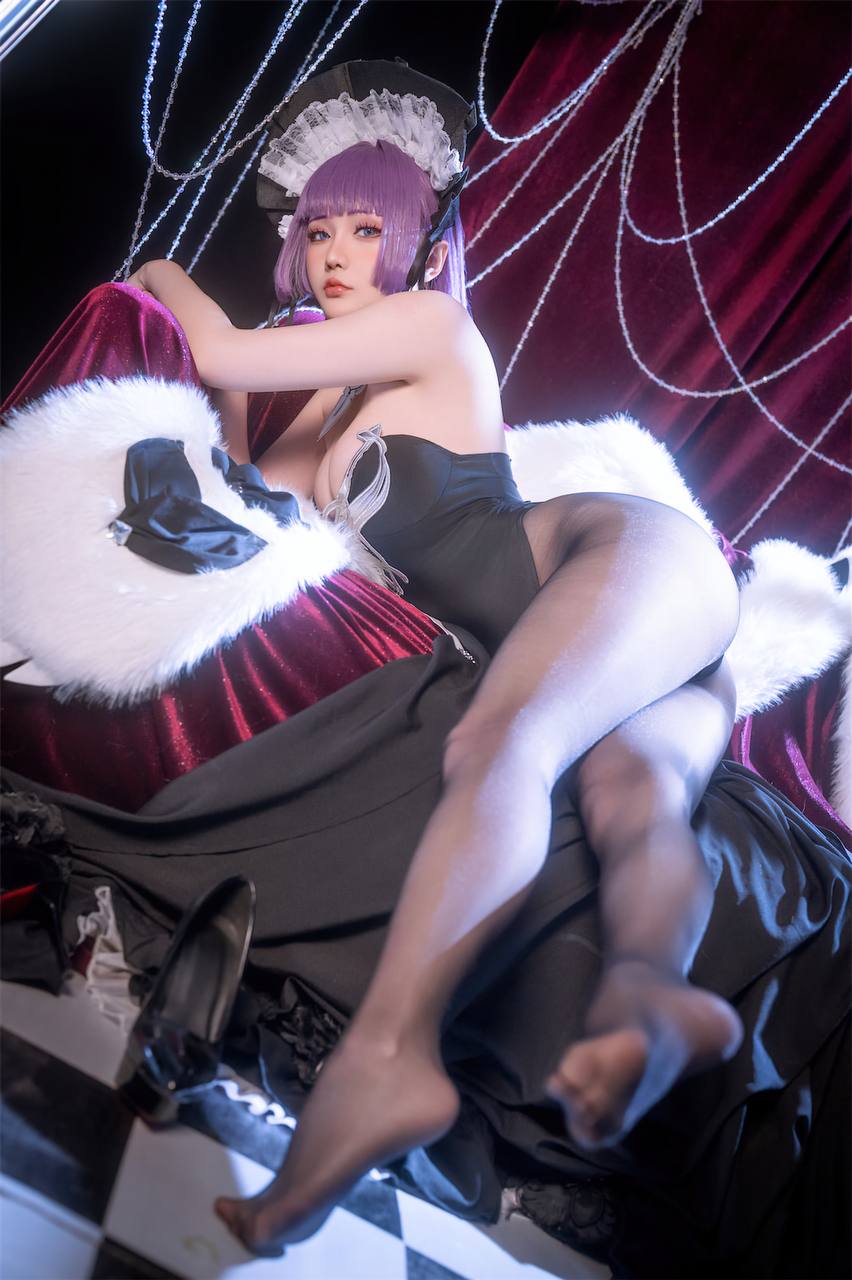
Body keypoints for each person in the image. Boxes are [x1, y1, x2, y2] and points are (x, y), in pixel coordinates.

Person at [124, 61, 746, 1254]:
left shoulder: (432, 327)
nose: (337, 254)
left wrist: (157, 270)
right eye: (319, 230)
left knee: (504, 741)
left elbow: (214, 345)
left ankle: (391, 1056)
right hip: (617, 643)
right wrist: (244, 398)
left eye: (368, 229)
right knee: (634, 797)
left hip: (634, 563)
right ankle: (647, 995)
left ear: (413, 243)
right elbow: (254, 498)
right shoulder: (328, 408)